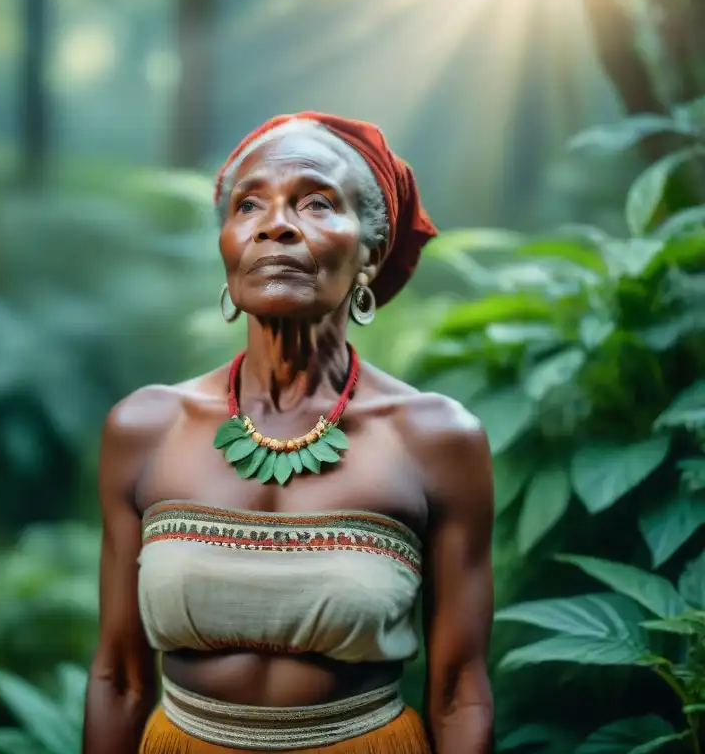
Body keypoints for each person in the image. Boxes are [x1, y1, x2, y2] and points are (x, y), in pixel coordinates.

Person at [82, 112, 495, 753]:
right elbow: (118, 679)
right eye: (249, 205)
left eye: (315, 202)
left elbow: (460, 691)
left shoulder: (435, 439)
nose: (276, 224)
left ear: (371, 253)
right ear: (227, 245)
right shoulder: (145, 428)